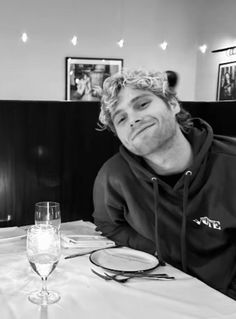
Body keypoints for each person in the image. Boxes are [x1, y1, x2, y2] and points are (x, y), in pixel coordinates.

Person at [92, 69, 236, 300]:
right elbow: (108, 224)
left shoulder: (230, 164)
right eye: (121, 118)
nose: (133, 119)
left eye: (142, 104)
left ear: (172, 103)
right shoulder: (114, 176)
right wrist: (154, 250)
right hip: (155, 292)